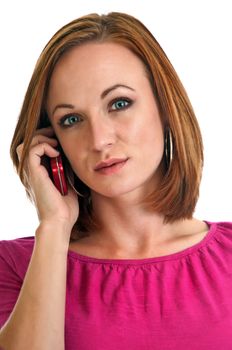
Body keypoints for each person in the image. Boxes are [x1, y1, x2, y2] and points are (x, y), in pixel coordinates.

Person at [0, 11, 231, 350]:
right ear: (52, 141)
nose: (99, 139)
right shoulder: (15, 266)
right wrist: (54, 227)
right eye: (72, 119)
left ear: (165, 107)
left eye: (119, 103)